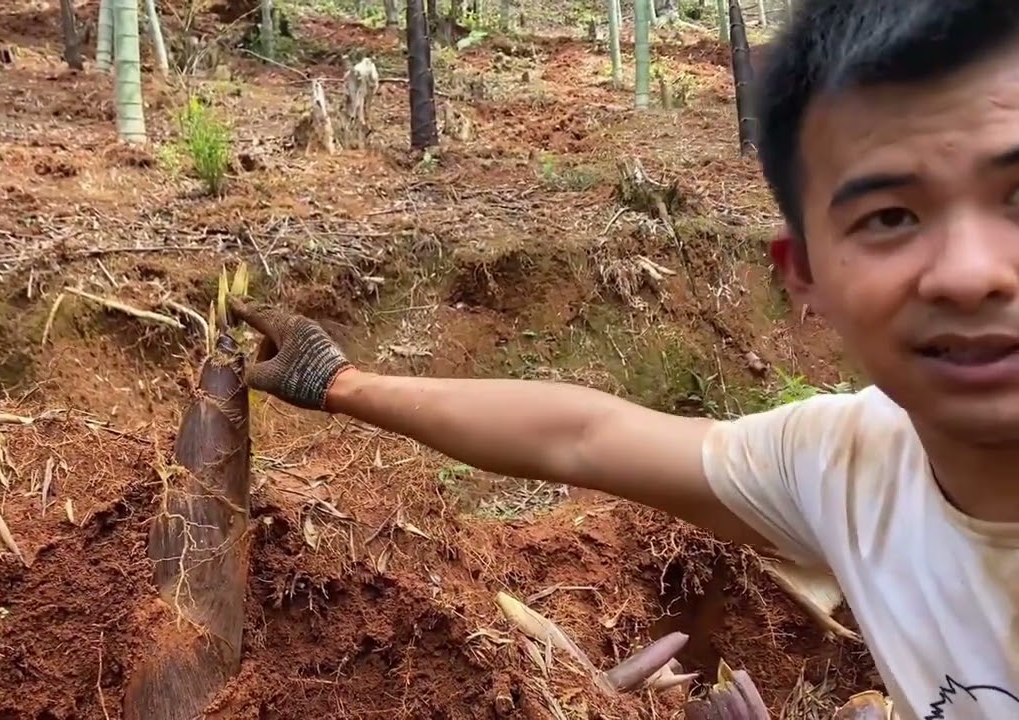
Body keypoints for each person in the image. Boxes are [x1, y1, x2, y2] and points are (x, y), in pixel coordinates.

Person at [232, 1, 1019, 717]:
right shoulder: (851, 466)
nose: (970, 272)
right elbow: (583, 435)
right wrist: (335, 380)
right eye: (891, 215)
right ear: (805, 275)